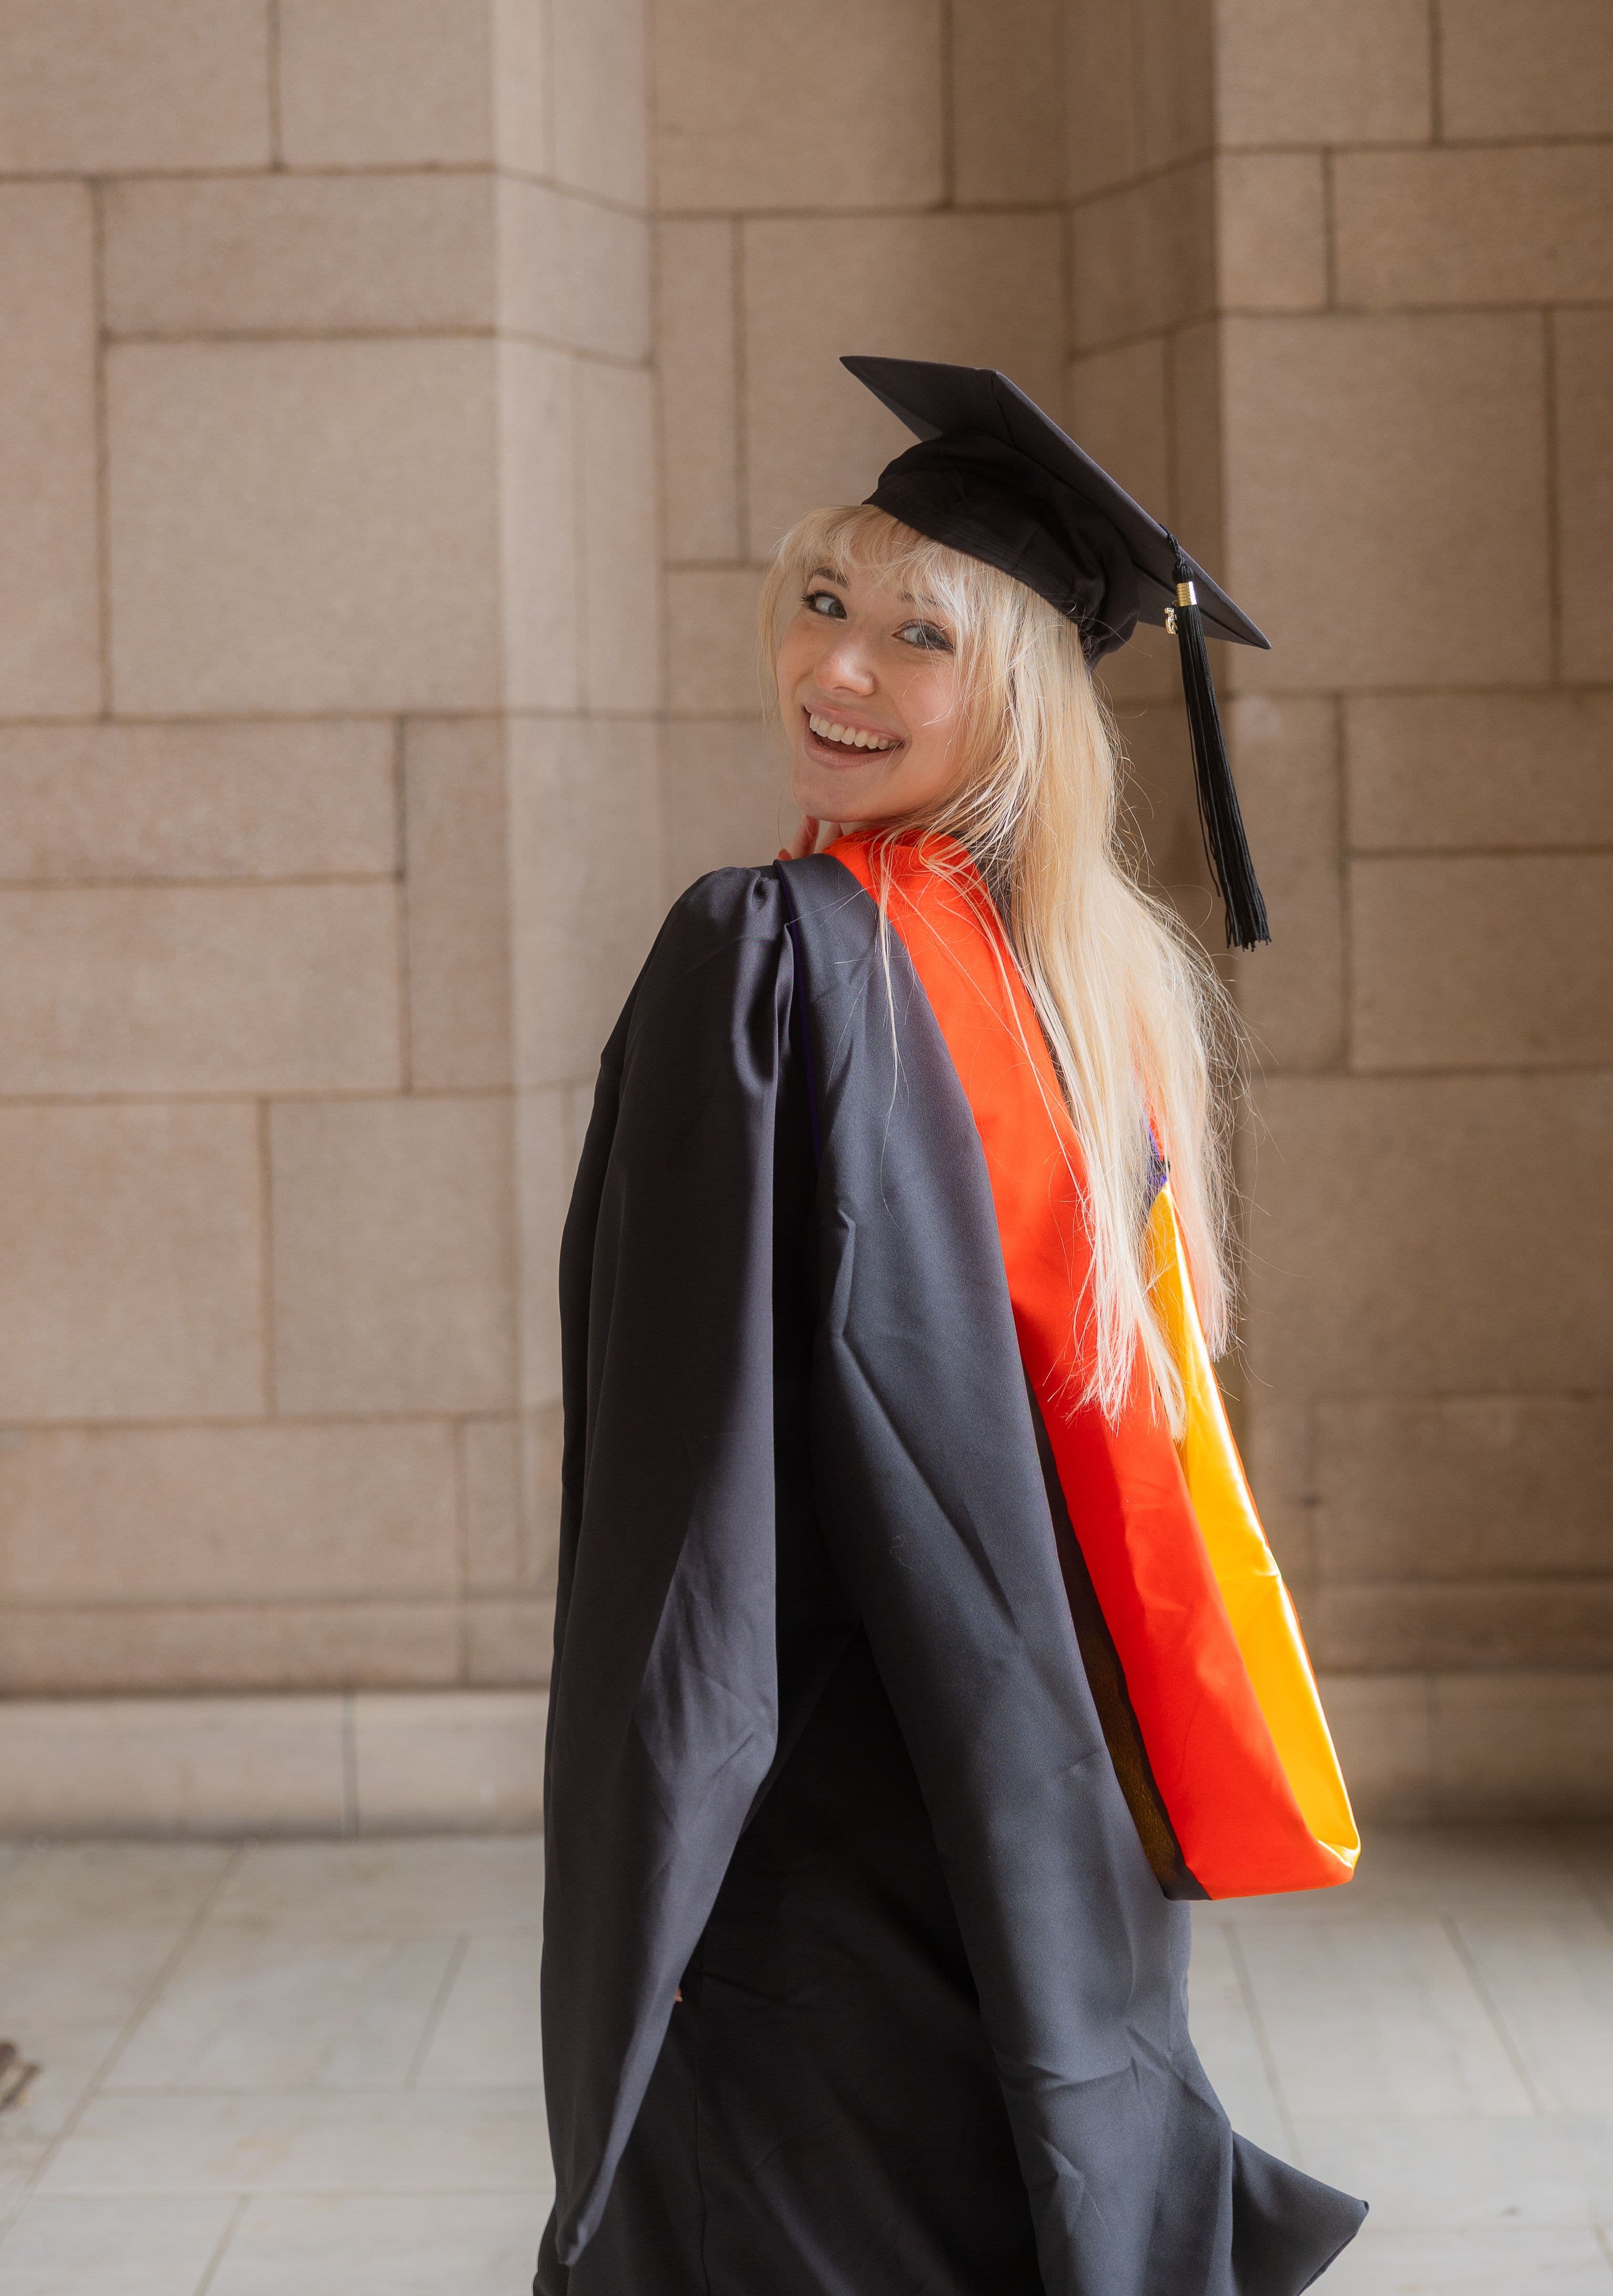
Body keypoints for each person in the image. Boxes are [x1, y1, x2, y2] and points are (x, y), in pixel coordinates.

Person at [534, 358, 1366, 2296]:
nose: (843, 670)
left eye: (923, 636)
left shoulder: (767, 955)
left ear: (1022, 699)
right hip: (1041, 1788)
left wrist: (657, 1819)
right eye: (826, 605)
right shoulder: (1086, 979)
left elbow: (689, 1482)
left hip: (817, 1793)